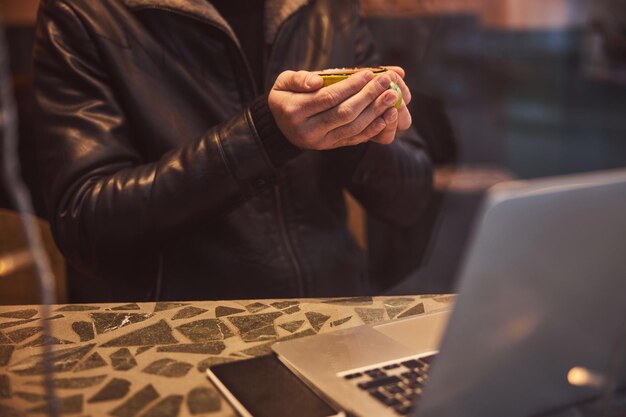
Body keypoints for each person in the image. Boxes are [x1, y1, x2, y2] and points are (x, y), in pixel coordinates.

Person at [33, 0, 433, 302]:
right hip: (180, 337)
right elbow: (85, 221)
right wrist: (264, 136)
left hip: (335, 317)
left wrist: (352, 126)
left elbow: (410, 200)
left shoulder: (323, 8)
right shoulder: (83, 12)